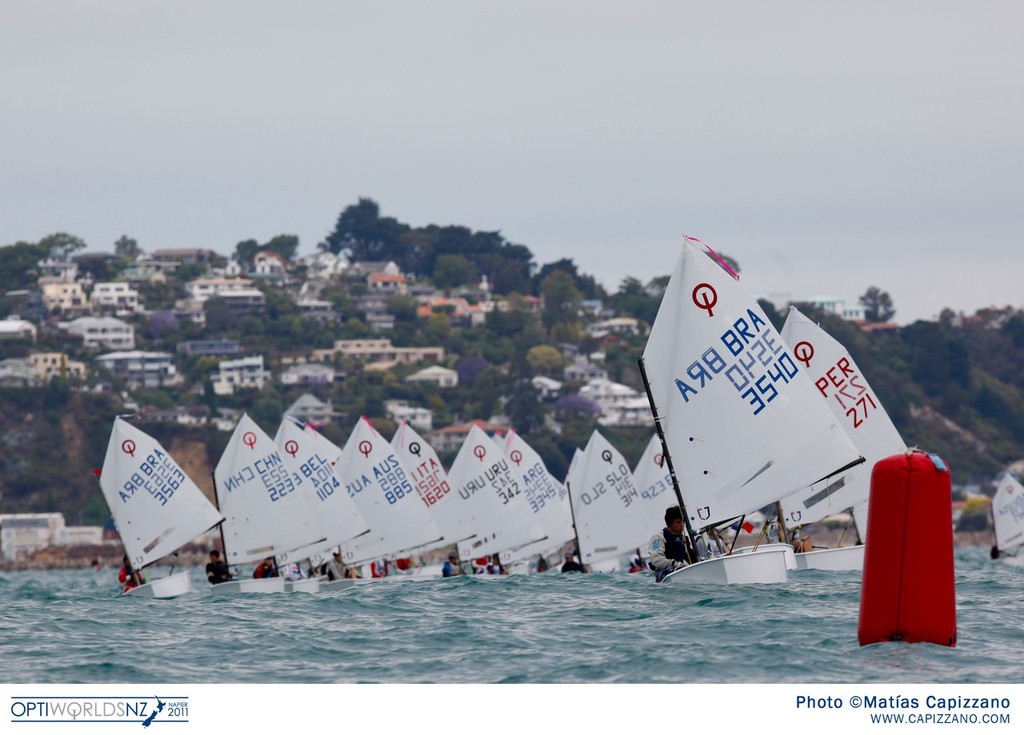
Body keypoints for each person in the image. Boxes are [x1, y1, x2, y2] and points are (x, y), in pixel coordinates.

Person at [648, 506, 691, 582]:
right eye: (678, 522)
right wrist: (676, 564)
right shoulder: (659, 536)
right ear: (670, 524)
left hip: (679, 571)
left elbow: (692, 557)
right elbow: (656, 560)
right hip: (664, 574)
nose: (682, 525)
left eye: (683, 522)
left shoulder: (684, 538)